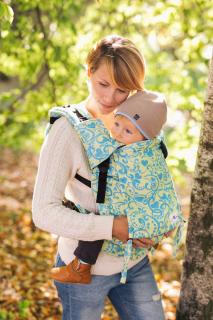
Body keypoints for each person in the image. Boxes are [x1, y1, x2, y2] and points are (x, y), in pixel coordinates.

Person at [32, 35, 169, 320]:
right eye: (103, 84)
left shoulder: (141, 122)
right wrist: (116, 227)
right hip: (83, 269)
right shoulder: (67, 131)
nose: (110, 98)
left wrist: (155, 223)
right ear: (89, 71)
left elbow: (153, 183)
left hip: (135, 264)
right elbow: (43, 213)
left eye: (122, 90)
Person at [49, 90, 183, 285]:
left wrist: (74, 117)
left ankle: (82, 267)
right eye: (117, 123)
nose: (117, 133)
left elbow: (96, 144)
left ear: (145, 137)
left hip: (134, 217)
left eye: (128, 131)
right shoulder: (154, 149)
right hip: (151, 216)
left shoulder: (133, 153)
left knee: (99, 217)